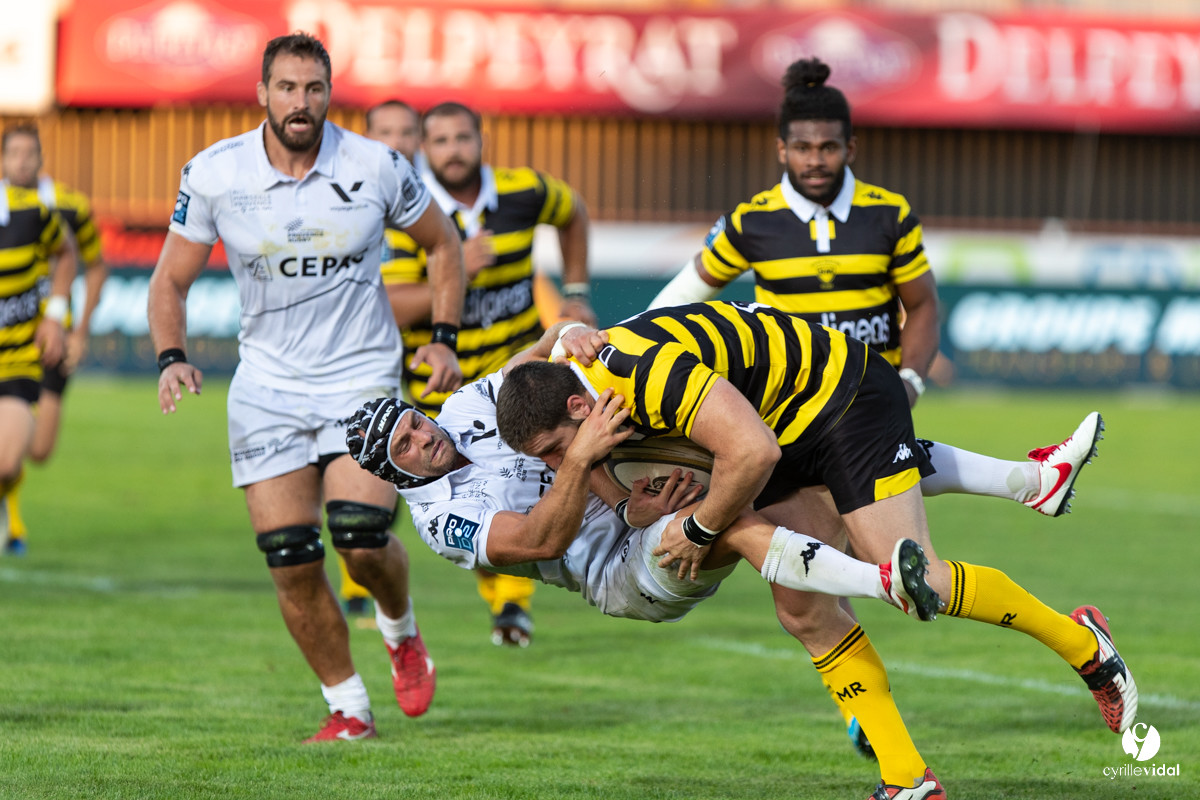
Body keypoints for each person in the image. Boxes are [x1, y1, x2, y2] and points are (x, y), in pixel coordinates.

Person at [496, 303, 1138, 785]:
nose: (558, 467)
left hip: (843, 398)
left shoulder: (640, 377)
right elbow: (557, 361)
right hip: (780, 418)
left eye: (556, 451)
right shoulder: (560, 384)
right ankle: (907, 781)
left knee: (919, 584)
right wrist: (625, 504)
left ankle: (1087, 645)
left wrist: (695, 528)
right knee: (802, 609)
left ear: (582, 409)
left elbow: (752, 453)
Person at [346, 322, 945, 800]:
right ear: (391, 471)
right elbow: (538, 542)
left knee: (796, 462)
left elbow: (541, 362)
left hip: (636, 504)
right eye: (406, 445)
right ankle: (882, 581)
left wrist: (571, 329)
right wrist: (592, 471)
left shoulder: (459, 410)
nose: (425, 437)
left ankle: (1025, 481)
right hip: (622, 572)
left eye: (414, 421)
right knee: (730, 521)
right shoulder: (439, 521)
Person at [147, 33, 466, 742]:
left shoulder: (376, 166)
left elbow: (444, 245)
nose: (301, 102)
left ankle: (400, 627)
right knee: (291, 558)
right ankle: (349, 707)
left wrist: (443, 339)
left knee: (358, 538)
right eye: (287, 88)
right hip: (267, 388)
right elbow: (171, 279)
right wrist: (172, 354)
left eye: (314, 88)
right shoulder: (213, 173)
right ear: (262, 94)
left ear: (329, 94)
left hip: (361, 379)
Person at [649, 57, 1097, 522]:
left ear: (851, 147)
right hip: (788, 401)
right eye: (802, 148)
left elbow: (922, 306)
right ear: (782, 150)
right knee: (829, 576)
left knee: (861, 562)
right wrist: (628, 349)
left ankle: (1034, 483)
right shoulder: (751, 221)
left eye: (828, 147)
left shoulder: (888, 214)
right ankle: (1033, 482)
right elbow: (675, 301)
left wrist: (911, 380)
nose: (816, 160)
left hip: (870, 390)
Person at [377, 100, 597, 647]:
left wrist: (575, 290)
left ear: (482, 140)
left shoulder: (525, 191)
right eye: (441, 141)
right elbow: (389, 303)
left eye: (462, 138)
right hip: (449, 383)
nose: (454, 150)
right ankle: (507, 596)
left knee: (559, 457)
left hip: (522, 372)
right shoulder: (410, 213)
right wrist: (457, 270)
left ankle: (520, 597)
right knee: (473, 490)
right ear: (425, 149)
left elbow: (573, 212)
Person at [0, 125, 108, 556]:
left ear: (41, 157)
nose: (22, 161)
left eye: (30, 153)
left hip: (44, 341)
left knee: (39, 450)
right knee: (10, 454)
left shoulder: (66, 206)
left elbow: (91, 265)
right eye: (14, 154)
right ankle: (15, 523)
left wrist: (72, 325)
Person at [0, 126, 75, 557]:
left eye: (30, 153)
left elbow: (70, 255)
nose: (23, 161)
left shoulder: (33, 214)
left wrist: (58, 317)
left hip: (15, 362)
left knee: (14, 459)